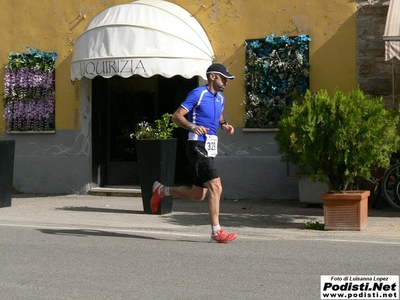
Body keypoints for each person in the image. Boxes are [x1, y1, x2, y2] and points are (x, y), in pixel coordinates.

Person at [150, 63, 238, 243]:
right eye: (224, 78)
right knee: (216, 187)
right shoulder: (198, 94)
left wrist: (224, 125)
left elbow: (219, 114)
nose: (226, 82)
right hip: (196, 146)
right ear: (212, 76)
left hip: (210, 147)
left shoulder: (220, 98)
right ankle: (216, 232)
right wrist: (192, 126)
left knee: (198, 195)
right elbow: (177, 116)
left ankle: (161, 190)